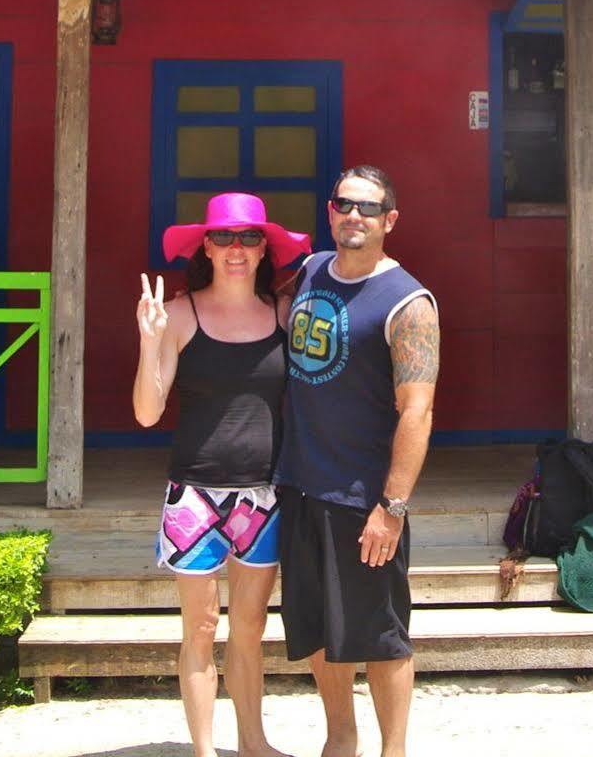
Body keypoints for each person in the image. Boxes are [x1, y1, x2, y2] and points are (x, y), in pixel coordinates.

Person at [134, 192, 311, 757]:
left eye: (249, 238)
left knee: (251, 629)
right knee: (202, 628)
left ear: (265, 250)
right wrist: (149, 339)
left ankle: (253, 743)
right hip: (194, 495)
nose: (237, 249)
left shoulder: (284, 316)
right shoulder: (181, 314)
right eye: (225, 238)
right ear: (206, 246)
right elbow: (146, 410)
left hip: (263, 495)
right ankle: (205, 750)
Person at [277, 165, 439, 757]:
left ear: (389, 221)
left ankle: (392, 750)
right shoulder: (312, 270)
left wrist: (391, 507)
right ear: (329, 211)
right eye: (345, 204)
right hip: (299, 484)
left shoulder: (409, 303)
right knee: (318, 628)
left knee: (381, 635)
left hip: (363, 498)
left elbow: (416, 412)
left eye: (368, 208)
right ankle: (339, 738)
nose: (354, 216)